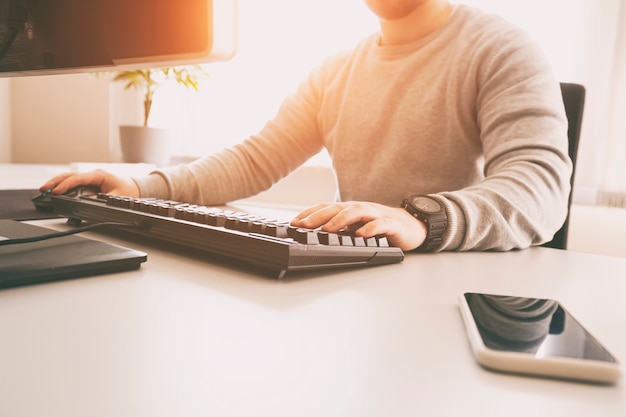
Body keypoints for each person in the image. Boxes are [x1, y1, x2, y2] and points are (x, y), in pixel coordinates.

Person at [39, 0, 572, 253]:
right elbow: (256, 159)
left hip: (461, 294)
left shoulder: (501, 49)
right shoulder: (337, 70)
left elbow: (540, 190)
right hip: (367, 287)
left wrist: (422, 220)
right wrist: (142, 186)